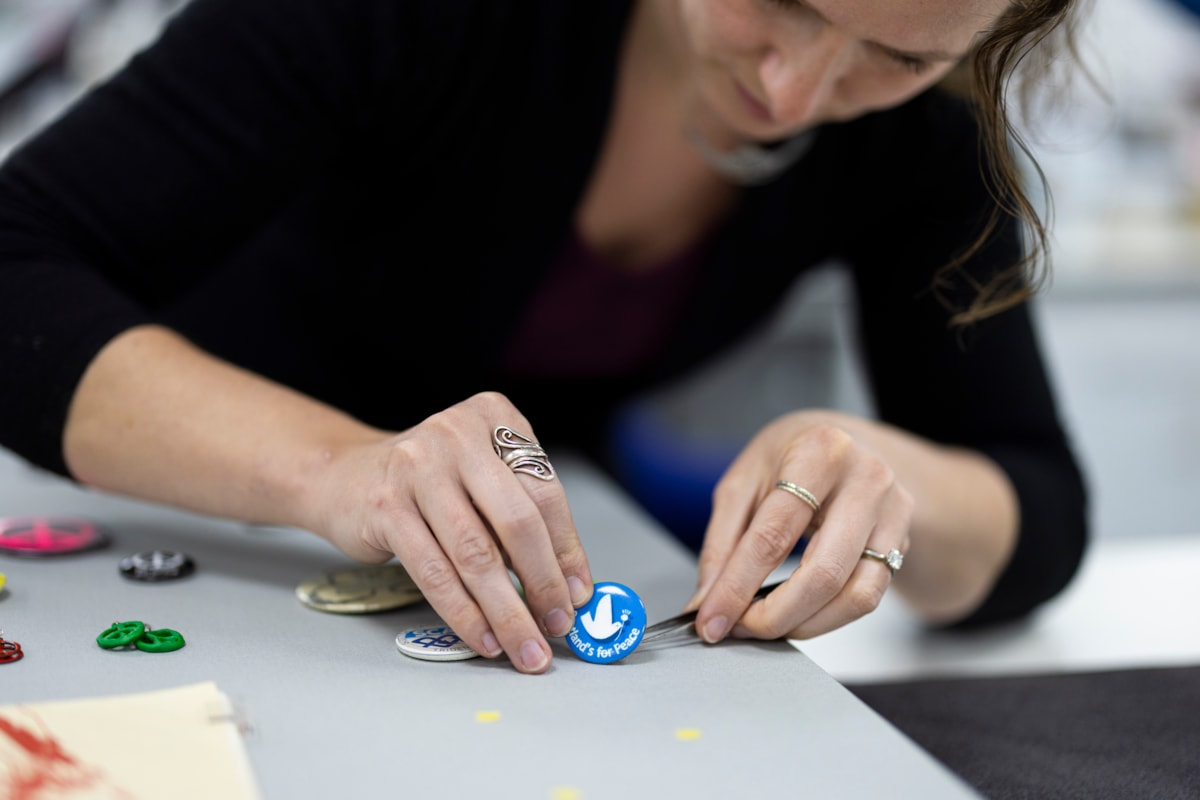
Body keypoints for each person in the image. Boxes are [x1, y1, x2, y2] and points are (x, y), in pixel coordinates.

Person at [0, 0, 1088, 674]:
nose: (794, 90)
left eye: (895, 58)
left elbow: (1035, 504)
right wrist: (343, 467)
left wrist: (895, 485)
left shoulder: (932, 126)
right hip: (167, 537)